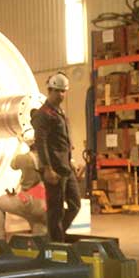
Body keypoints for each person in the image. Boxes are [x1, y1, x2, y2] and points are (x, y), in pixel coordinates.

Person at [31, 72, 81, 242]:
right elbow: (41, 142)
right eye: (58, 91)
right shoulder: (43, 114)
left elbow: (64, 140)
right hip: (54, 169)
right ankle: (56, 242)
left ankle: (54, 235)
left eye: (63, 91)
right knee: (56, 209)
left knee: (75, 204)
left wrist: (71, 159)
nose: (61, 95)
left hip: (65, 166)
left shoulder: (60, 112)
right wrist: (47, 168)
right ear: (50, 90)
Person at [0, 147, 47, 238]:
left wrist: (17, 149)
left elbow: (13, 165)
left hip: (27, 201)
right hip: (43, 204)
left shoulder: (23, 158)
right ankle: (42, 244)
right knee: (38, 227)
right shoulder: (48, 159)